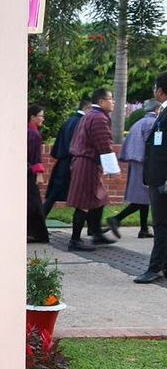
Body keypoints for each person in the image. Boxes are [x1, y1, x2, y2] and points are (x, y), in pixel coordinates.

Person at [66, 88, 118, 251]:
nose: (113, 102)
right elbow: (104, 143)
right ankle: (75, 240)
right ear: (101, 102)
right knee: (83, 202)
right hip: (87, 163)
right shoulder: (99, 118)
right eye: (111, 99)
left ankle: (96, 233)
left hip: (86, 161)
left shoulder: (90, 115)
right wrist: (113, 169)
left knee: (99, 198)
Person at [134, 74, 167, 284]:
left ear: (160, 90)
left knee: (161, 224)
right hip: (158, 177)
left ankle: (154, 267)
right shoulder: (162, 112)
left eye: (155, 87)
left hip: (163, 179)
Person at [107, 107, 156, 240]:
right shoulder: (152, 122)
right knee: (144, 196)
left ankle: (144, 229)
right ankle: (116, 218)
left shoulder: (140, 122)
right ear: (157, 109)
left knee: (143, 197)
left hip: (136, 161)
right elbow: (152, 144)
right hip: (144, 162)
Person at [44, 99, 89, 217]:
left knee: (54, 194)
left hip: (63, 161)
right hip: (73, 162)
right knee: (84, 195)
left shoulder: (69, 121)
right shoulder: (82, 123)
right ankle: (92, 228)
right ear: (86, 108)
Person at [27, 105, 50, 243]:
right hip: (30, 172)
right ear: (33, 117)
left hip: (27, 171)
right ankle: (39, 234)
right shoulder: (34, 134)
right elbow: (35, 156)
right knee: (34, 203)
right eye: (41, 115)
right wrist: (39, 173)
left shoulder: (29, 131)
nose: (43, 118)